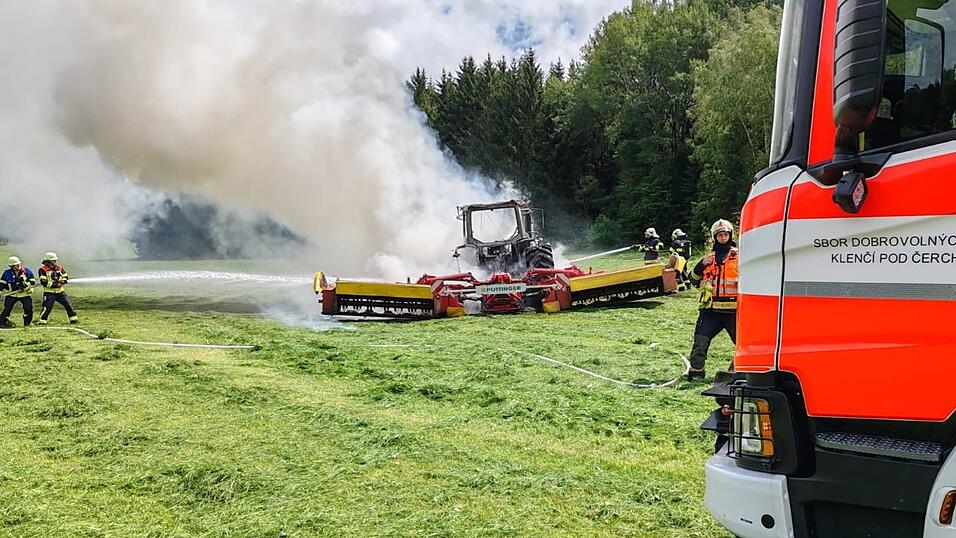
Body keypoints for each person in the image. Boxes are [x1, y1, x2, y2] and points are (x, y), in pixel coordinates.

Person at [687, 219, 738, 380]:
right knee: (700, 343)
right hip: (710, 311)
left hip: (733, 311)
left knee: (743, 346)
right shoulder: (708, 259)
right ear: (714, 237)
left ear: (730, 235)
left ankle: (734, 373)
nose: (722, 238)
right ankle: (696, 373)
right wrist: (701, 265)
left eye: (725, 234)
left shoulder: (739, 256)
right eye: (719, 235)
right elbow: (693, 280)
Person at [37, 252, 78, 325]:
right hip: (49, 293)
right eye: (53, 261)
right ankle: (42, 321)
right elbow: (44, 282)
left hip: (60, 292)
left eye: (55, 260)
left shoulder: (59, 267)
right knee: (47, 308)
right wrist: (56, 285)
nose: (55, 262)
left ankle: (74, 320)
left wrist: (63, 280)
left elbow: (65, 275)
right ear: (48, 262)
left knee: (68, 305)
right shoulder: (42, 270)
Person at [0, 256, 37, 328]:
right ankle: (2, 323)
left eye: (19, 264)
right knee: (6, 309)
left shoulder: (27, 271)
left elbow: (32, 282)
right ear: (12, 266)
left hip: (24, 294)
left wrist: (24, 285)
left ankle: (27, 324)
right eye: (16, 265)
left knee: (28, 308)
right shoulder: (6, 273)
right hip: (12, 295)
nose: (19, 265)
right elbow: (2, 284)